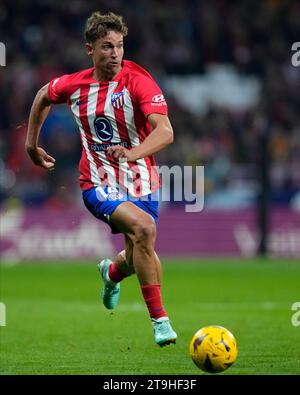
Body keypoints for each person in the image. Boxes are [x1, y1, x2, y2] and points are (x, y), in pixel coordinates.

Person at [25, 11, 177, 347]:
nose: (115, 53)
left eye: (120, 46)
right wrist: (31, 144)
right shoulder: (75, 85)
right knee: (145, 231)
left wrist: (132, 153)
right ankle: (160, 322)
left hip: (142, 182)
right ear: (89, 49)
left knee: (139, 251)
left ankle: (110, 274)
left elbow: (165, 131)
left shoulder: (138, 81)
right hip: (97, 182)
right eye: (107, 46)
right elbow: (42, 96)